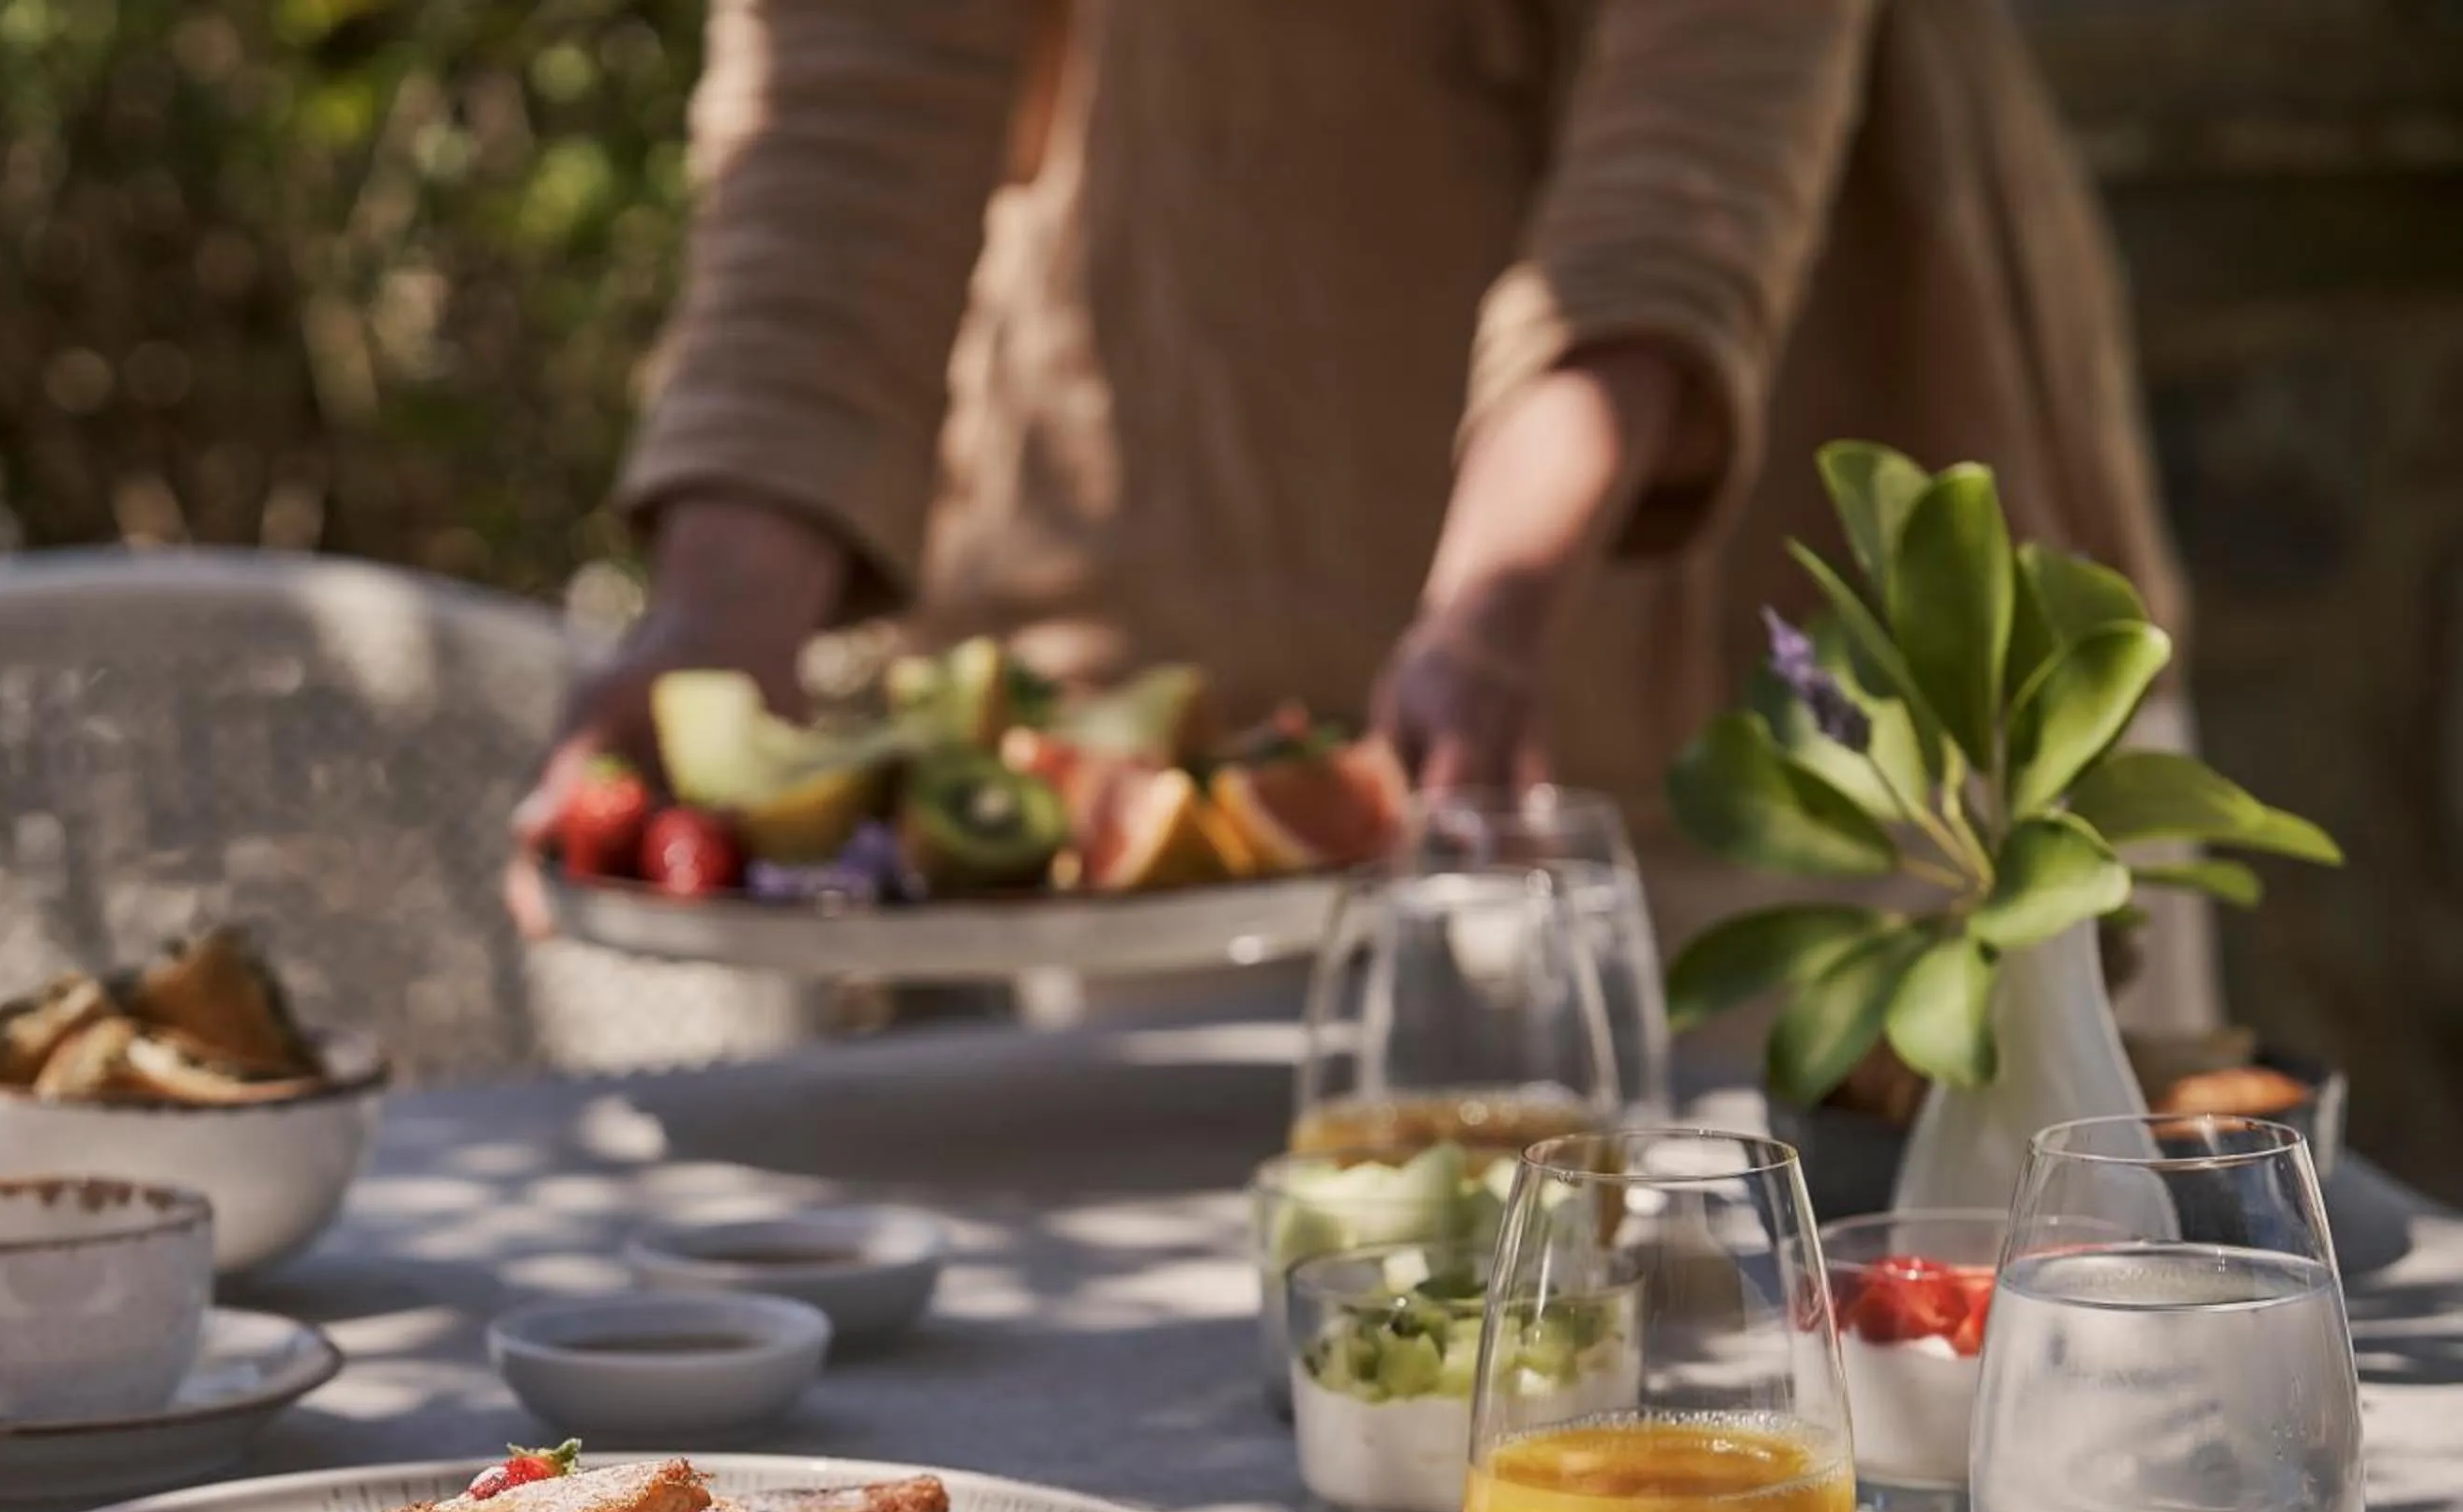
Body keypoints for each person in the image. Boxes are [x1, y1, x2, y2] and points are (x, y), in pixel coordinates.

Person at [519, 0, 2209, 1017]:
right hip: (1190, 549)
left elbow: (1716, 83)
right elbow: (859, 80)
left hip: (1798, 574)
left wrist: (1500, 586)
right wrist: (724, 603)